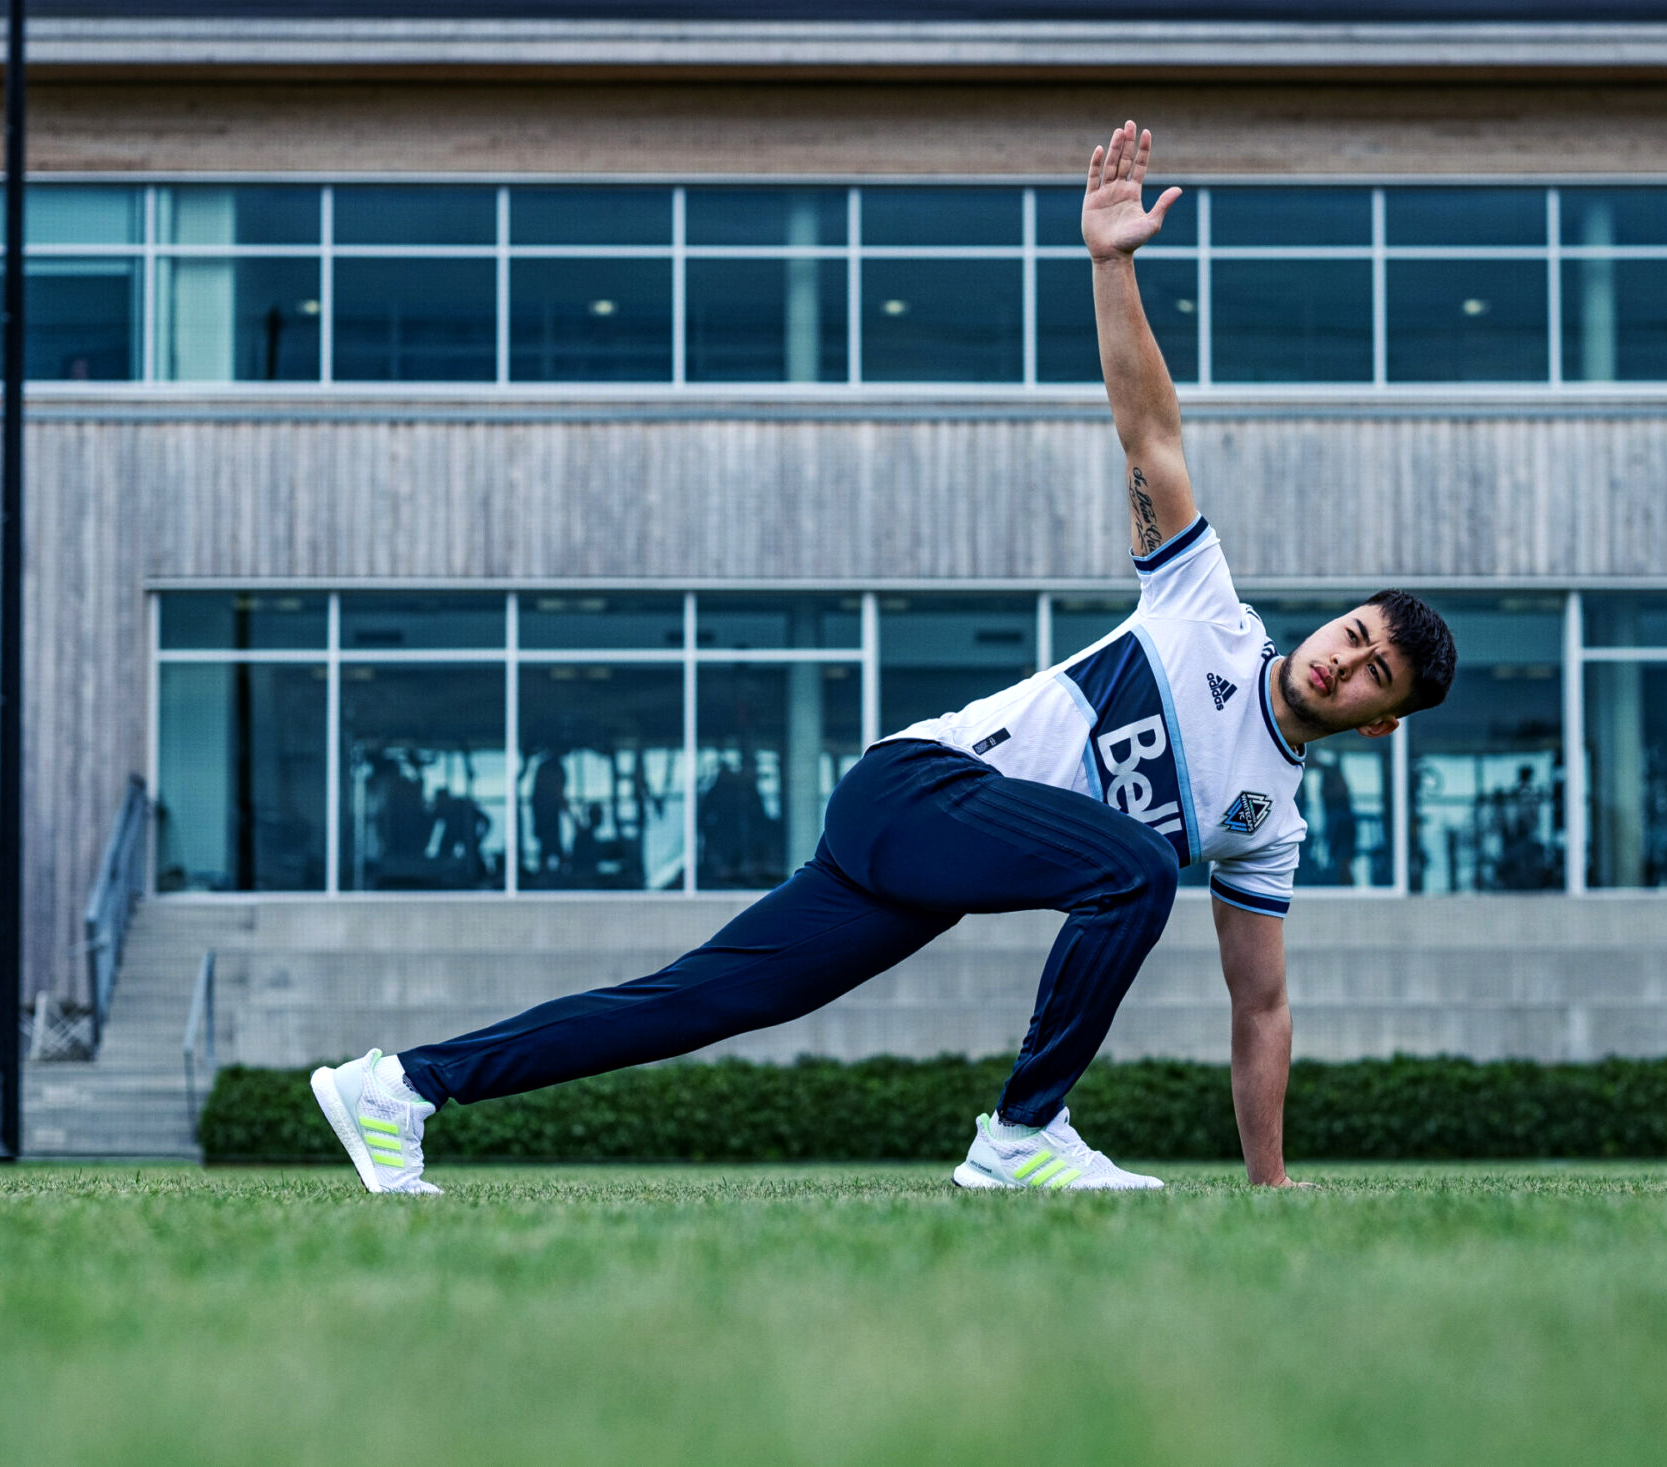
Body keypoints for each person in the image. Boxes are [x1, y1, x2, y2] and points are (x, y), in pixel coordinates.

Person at [311, 121, 1457, 1195]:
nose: (1341, 663)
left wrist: (1271, 1192)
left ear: (1378, 723)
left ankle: (396, 1088)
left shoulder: (1266, 821)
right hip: (917, 788)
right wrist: (1111, 263)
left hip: (922, 866)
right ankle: (1021, 1138)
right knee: (1135, 870)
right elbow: (1148, 428)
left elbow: (1260, 1007)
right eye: (1350, 634)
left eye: (1371, 676)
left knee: (697, 1002)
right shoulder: (1206, 610)